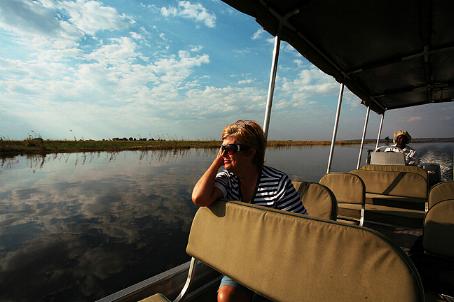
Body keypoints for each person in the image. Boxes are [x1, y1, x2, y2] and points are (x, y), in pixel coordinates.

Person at [192, 120, 307, 302]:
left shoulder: (278, 183)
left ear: (251, 152)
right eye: (222, 148)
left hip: (276, 260)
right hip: (243, 256)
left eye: (231, 149)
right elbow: (199, 198)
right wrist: (217, 162)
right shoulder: (228, 178)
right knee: (226, 297)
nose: (224, 154)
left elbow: (301, 231)